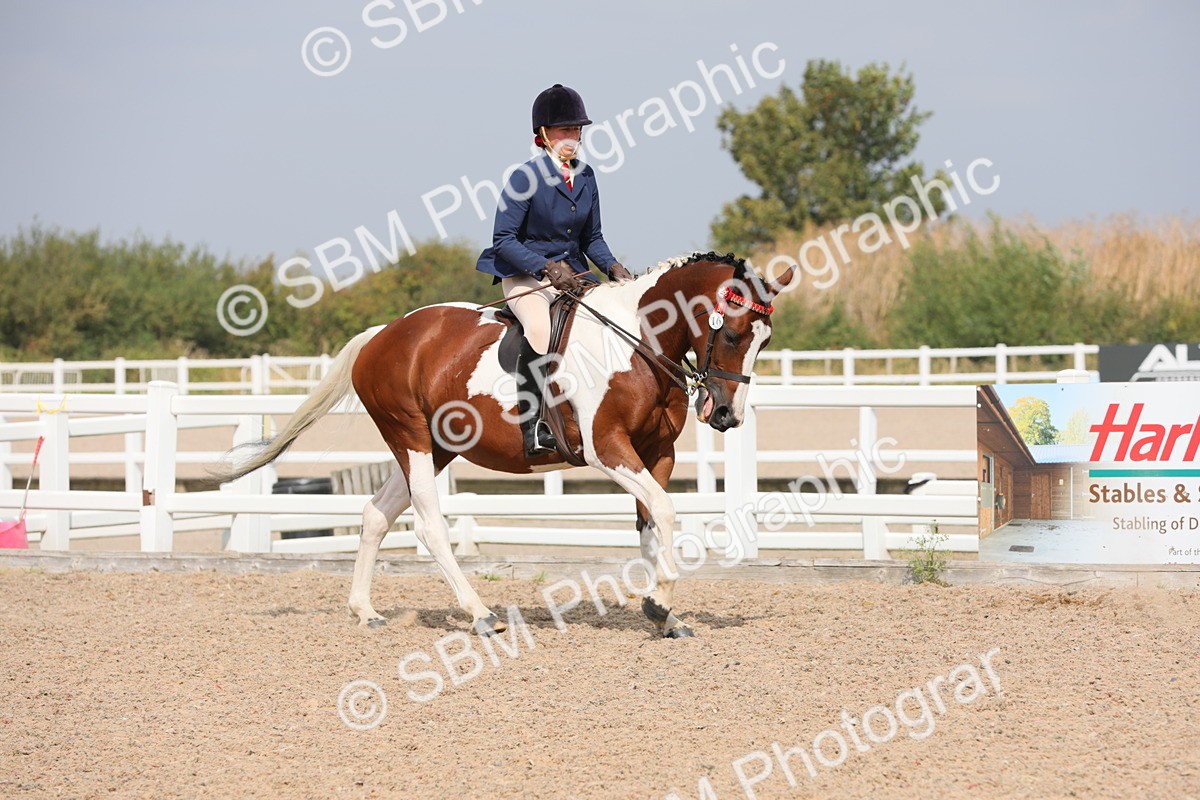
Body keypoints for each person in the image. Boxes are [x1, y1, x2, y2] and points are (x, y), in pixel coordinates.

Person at [476, 84, 633, 457]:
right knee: (540, 329)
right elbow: (504, 239)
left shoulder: (587, 176)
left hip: (574, 273)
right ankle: (535, 426)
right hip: (525, 272)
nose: (571, 138)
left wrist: (613, 267)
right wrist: (546, 267)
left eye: (576, 130)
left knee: (609, 321)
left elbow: (592, 237)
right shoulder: (523, 178)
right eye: (563, 131)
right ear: (543, 135)